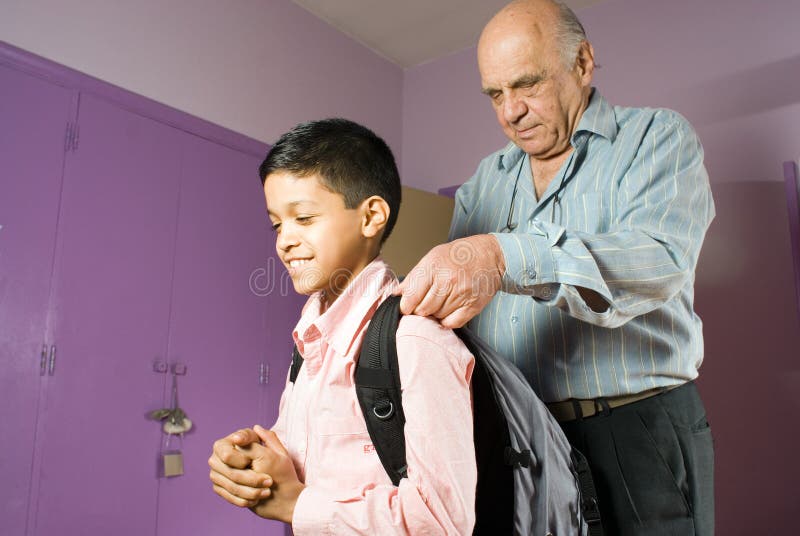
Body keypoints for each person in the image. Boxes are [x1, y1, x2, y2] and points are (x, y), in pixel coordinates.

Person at [396, 1, 715, 534]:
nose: (510, 112)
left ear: (584, 64)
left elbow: (658, 259)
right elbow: (460, 315)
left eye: (528, 85)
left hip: (637, 427)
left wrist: (504, 255)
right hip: (521, 434)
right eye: (495, 94)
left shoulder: (655, 139)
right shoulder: (485, 181)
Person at [207, 118, 476, 535]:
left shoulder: (416, 341)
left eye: (304, 218)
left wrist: (297, 505)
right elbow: (311, 452)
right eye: (277, 224)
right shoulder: (309, 337)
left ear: (370, 217)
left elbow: (443, 522)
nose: (284, 240)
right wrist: (251, 458)